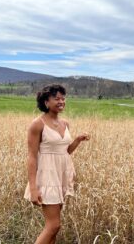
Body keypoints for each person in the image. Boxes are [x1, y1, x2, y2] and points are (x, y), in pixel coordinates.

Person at [23, 84, 90, 244]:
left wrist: (77, 140)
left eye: (63, 98)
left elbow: (65, 152)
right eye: (56, 98)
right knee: (53, 226)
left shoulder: (65, 123)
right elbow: (32, 157)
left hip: (61, 176)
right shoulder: (37, 124)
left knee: (54, 228)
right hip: (47, 177)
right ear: (46, 102)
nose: (61, 101)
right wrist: (33, 188)